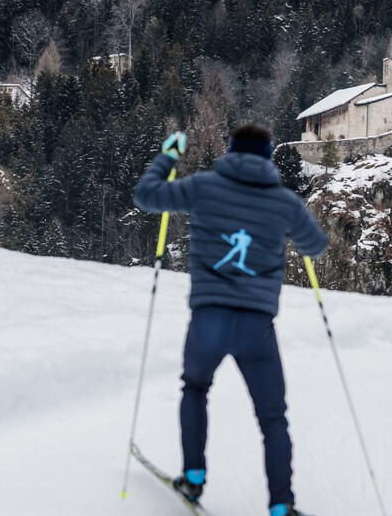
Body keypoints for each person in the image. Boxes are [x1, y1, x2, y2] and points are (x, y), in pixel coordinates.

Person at [133, 124, 328, 516]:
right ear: (268, 158)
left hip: (209, 319)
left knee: (195, 389)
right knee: (273, 418)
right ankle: (280, 506)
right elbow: (316, 246)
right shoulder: (283, 201)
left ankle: (194, 478)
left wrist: (169, 155)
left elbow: (146, 195)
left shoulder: (204, 186)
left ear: (231, 152)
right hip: (257, 327)